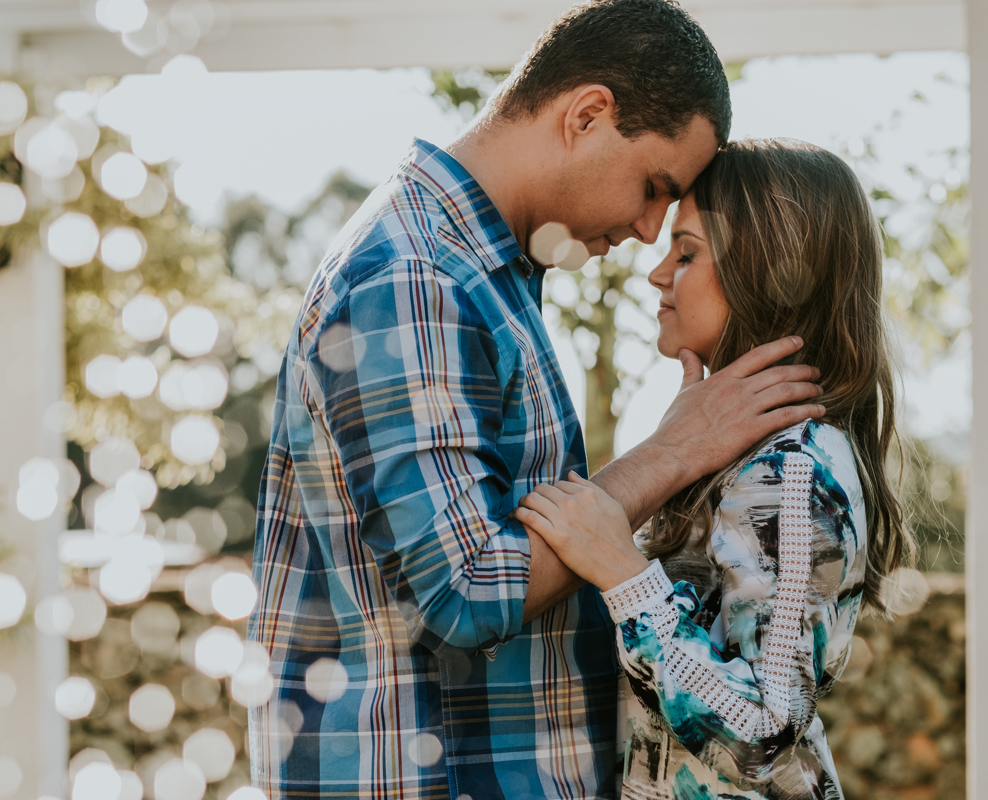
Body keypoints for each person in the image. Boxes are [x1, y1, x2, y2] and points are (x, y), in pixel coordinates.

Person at [248, 3, 825, 798]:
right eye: (655, 187)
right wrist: (671, 454)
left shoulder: (484, 275)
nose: (650, 227)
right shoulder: (416, 280)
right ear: (586, 115)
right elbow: (468, 590)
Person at [517, 139, 911, 799]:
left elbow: (765, 731)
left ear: (770, 271)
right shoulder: (744, 457)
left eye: (689, 251)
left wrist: (623, 573)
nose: (657, 272)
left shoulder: (792, 468)